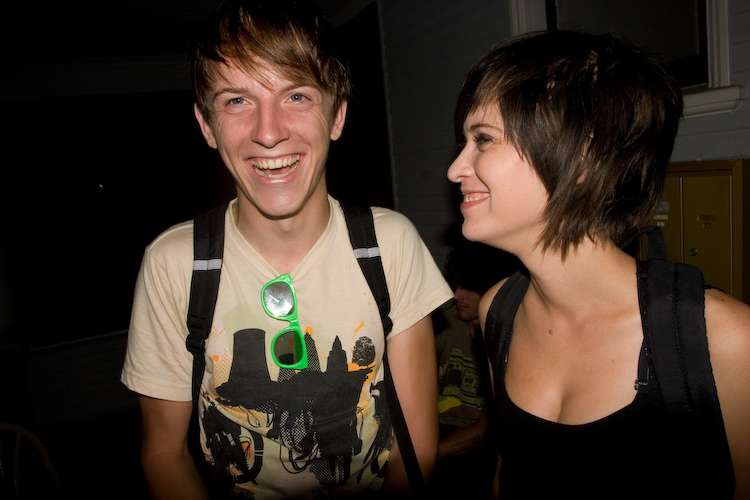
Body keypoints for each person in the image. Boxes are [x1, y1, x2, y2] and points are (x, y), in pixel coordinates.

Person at [121, 1, 453, 498]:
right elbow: (164, 453)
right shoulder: (174, 264)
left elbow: (415, 448)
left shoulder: (390, 245)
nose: (269, 131)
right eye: (237, 100)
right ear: (206, 125)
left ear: (336, 115)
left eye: (296, 95)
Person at [447, 30, 750, 499]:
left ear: (584, 155)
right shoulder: (498, 310)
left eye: (483, 139)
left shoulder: (724, 339)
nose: (455, 169)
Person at [433, 240, 520, 499]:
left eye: (468, 287)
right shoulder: (446, 322)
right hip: (437, 428)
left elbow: (485, 430)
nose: (456, 295)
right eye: (456, 284)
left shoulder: (511, 336)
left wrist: (419, 458)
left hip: (481, 444)